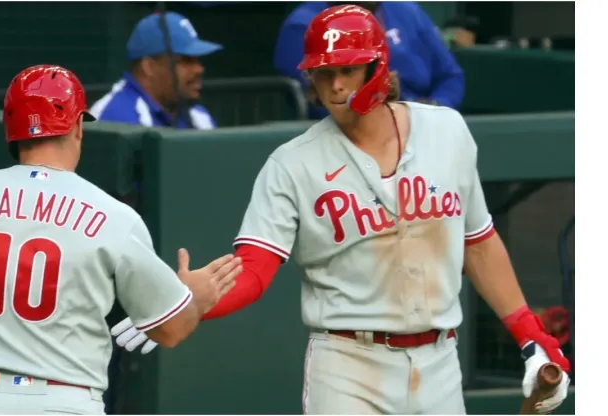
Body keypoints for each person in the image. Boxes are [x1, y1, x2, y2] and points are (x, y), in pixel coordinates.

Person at [110, 6, 570, 415]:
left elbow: (480, 243)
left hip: (439, 361)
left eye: (347, 70)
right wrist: (192, 300)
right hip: (349, 363)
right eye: (322, 72)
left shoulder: (446, 131)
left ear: (377, 65)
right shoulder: (292, 164)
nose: (333, 85)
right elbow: (254, 270)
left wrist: (531, 336)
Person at [0, 64, 242, 415]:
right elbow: (169, 329)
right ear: (77, 127)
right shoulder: (113, 216)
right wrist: (194, 299)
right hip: (68, 402)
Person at [274, 1, 465, 119]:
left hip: (424, 120)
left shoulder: (407, 10)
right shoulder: (304, 25)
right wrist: (391, 117)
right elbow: (319, 99)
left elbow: (451, 75)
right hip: (355, 131)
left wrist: (437, 106)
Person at [89, 12, 221, 129]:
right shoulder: (114, 118)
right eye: (186, 60)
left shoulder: (198, 116)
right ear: (149, 67)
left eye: (197, 61)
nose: (199, 69)